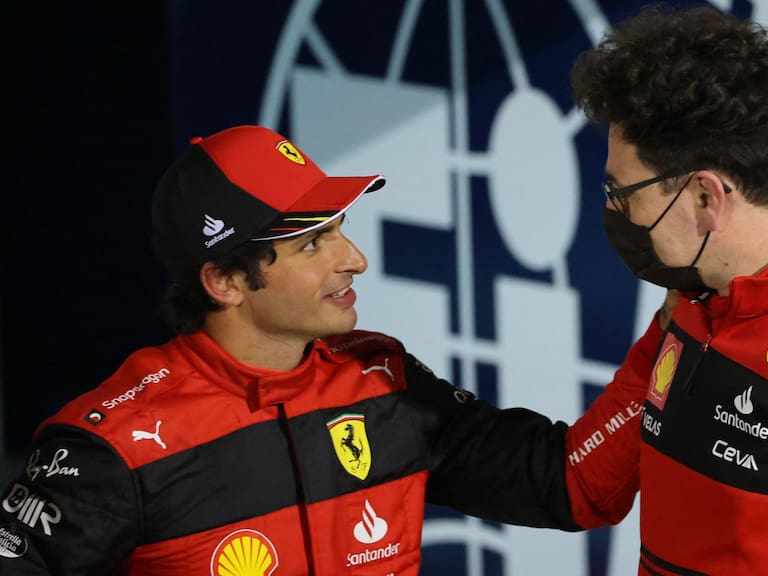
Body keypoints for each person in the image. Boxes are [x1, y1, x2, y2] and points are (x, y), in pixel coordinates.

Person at [3, 123, 653, 575]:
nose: (356, 260)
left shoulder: (382, 380)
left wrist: (673, 336)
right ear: (224, 280)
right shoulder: (115, 446)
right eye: (312, 244)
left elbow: (572, 485)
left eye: (341, 230)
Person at [563, 4, 768, 574]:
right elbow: (584, 479)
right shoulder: (689, 307)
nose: (611, 210)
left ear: (705, 198)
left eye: (622, 189)